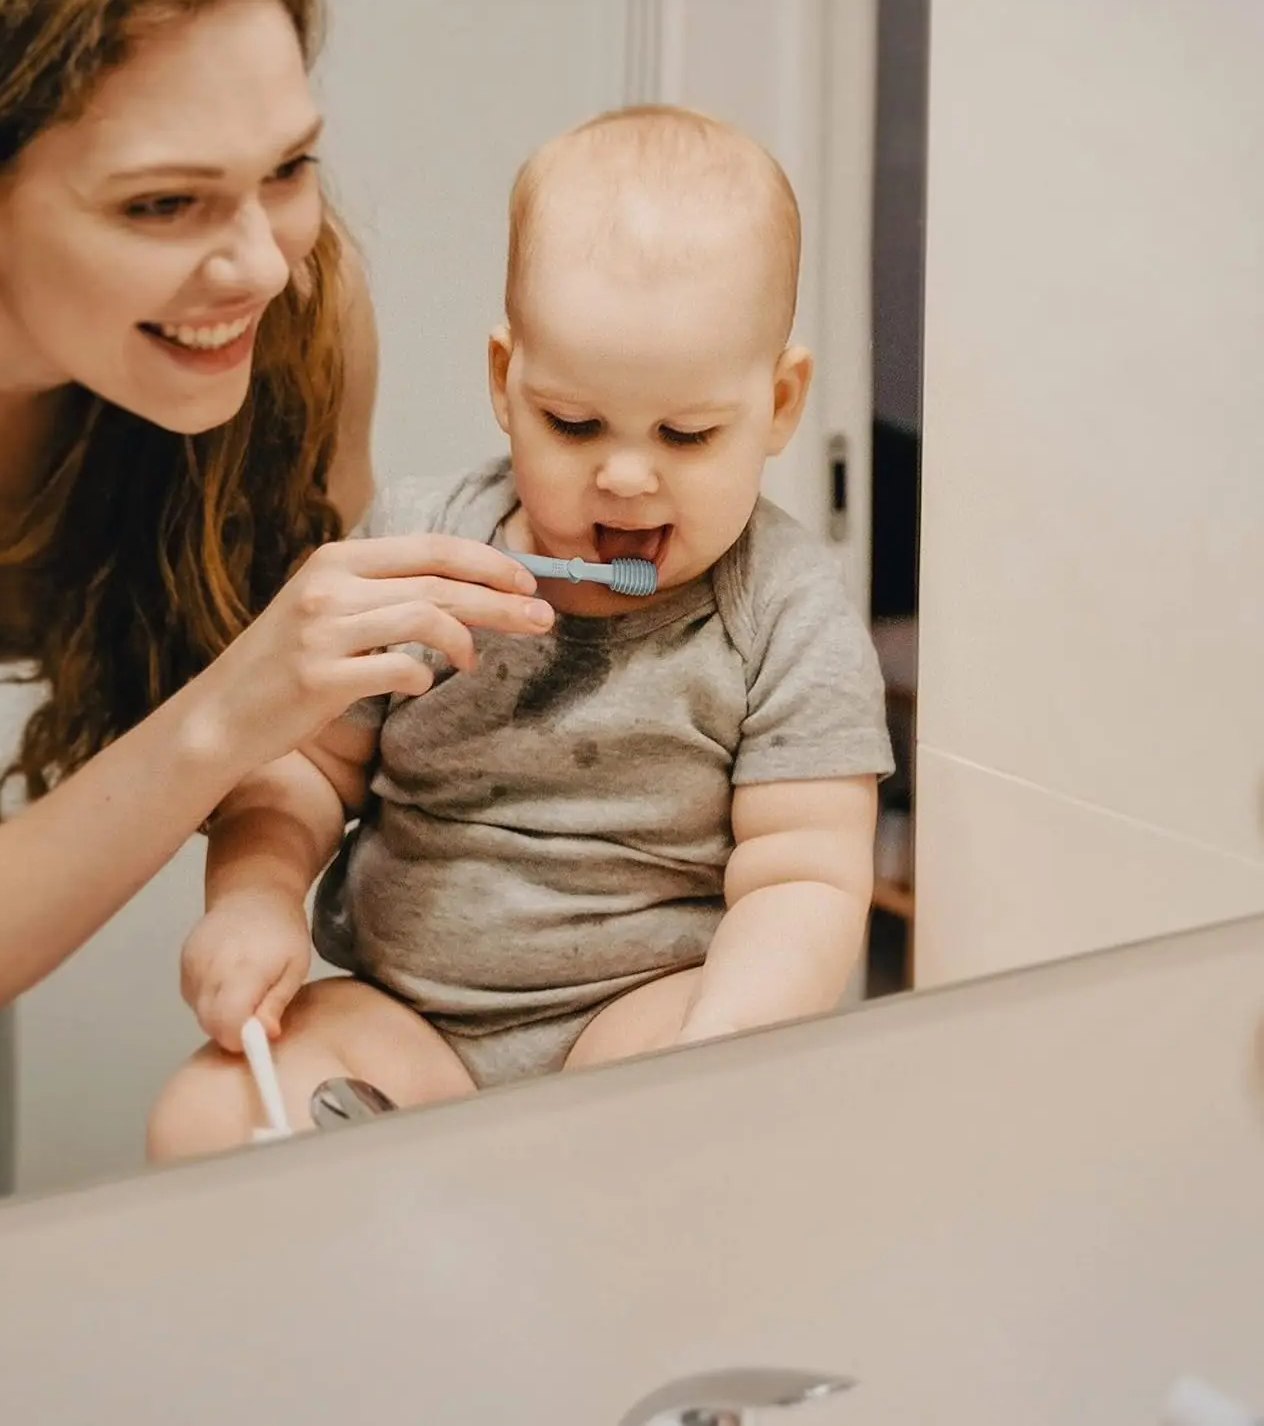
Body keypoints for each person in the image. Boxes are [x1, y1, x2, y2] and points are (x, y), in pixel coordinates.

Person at [0, 0, 554, 1242]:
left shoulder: (287, 313)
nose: (258, 262)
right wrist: (222, 712)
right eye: (161, 205)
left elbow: (312, 741)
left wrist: (263, 893)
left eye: (288, 168)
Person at [146, 106, 896, 1157]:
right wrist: (255, 900)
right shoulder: (418, 547)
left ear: (776, 405)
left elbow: (803, 877)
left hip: (641, 1015)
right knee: (204, 1123)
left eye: (686, 433)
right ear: (505, 383)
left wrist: (719, 1047)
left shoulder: (786, 610)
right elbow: (304, 774)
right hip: (405, 1018)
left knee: (698, 1140)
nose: (626, 474)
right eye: (573, 423)